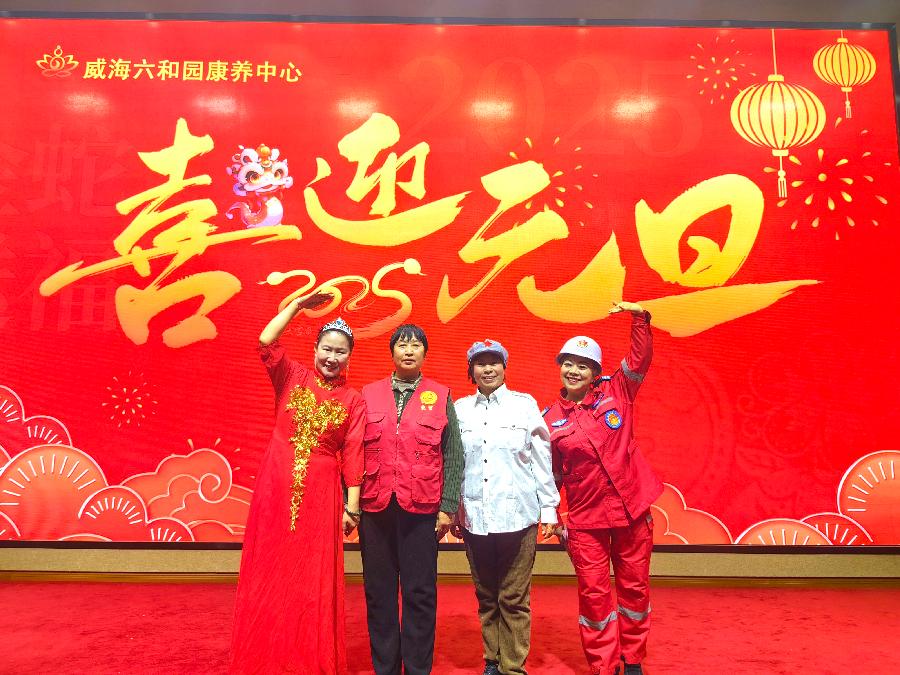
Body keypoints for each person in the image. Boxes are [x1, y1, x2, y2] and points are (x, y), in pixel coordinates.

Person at [230, 292, 365, 675]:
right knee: (270, 569)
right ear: (316, 349)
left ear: (349, 357)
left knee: (310, 578)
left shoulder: (353, 400)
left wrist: (352, 508)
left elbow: (354, 453)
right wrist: (298, 305)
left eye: (340, 352)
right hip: (275, 485)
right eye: (327, 349)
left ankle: (308, 659)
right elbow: (265, 341)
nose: (332, 357)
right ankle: (263, 658)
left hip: (322, 495)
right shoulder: (293, 376)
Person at [543, 302, 663, 675]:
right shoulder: (549, 420)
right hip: (585, 521)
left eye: (583, 366)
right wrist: (551, 515)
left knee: (634, 589)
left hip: (632, 512)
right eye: (568, 363)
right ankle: (603, 665)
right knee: (595, 597)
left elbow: (639, 359)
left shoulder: (618, 392)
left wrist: (639, 318)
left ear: (596, 373)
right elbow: (550, 477)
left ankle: (633, 659)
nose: (574, 370)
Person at [358, 324, 464, 675]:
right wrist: (350, 503)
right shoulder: (368, 394)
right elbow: (353, 449)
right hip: (376, 507)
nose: (408, 350)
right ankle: (386, 668)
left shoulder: (440, 395)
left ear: (424, 354)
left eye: (416, 345)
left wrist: (448, 506)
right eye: (402, 345)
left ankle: (417, 668)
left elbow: (453, 453)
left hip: (422, 508)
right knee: (379, 593)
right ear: (392, 352)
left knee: (420, 593)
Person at [451, 339, 560, 675]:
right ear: (471, 370)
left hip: (518, 516)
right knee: (486, 596)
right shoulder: (459, 409)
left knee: (513, 598)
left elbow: (541, 459)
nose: (488, 369)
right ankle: (492, 660)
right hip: (475, 516)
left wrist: (549, 509)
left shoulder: (524, 405)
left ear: (504, 367)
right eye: (480, 363)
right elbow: (453, 463)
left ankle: (513, 667)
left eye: (494, 362)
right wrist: (452, 509)